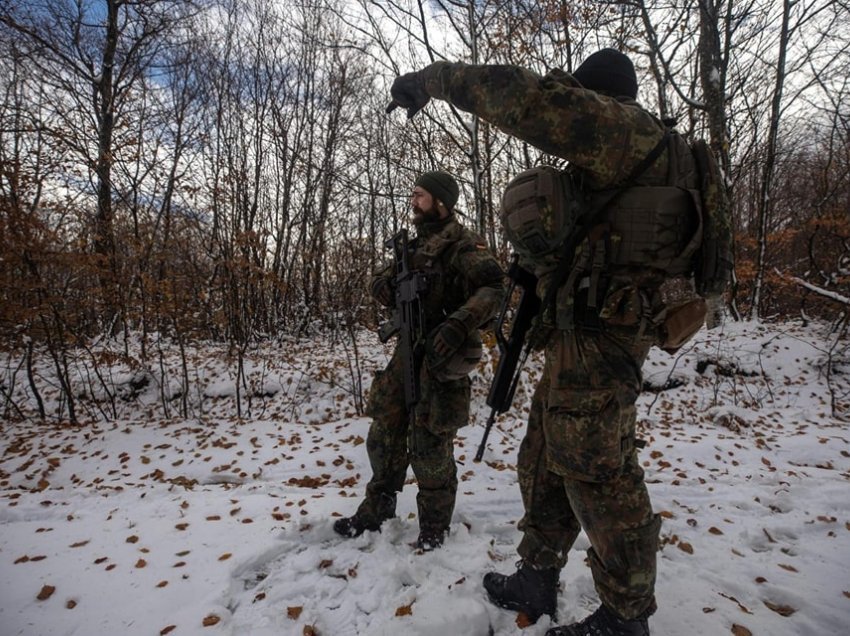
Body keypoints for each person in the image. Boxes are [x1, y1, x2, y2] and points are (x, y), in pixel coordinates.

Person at [387, 49, 707, 635]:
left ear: (595, 98)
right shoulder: (648, 154)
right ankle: (537, 572)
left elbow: (522, 97)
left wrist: (430, 81)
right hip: (582, 330)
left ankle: (624, 616)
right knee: (544, 456)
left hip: (600, 332)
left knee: (599, 473)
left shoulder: (620, 129)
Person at [334, 171, 504, 551]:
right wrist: (387, 286)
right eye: (413, 194)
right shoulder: (411, 247)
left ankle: (433, 526)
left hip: (442, 356)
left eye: (421, 195)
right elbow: (381, 278)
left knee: (430, 442)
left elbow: (494, 288)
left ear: (441, 201)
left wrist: (459, 323)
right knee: (384, 433)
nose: (414, 201)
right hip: (405, 350)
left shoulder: (464, 244)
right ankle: (375, 511)